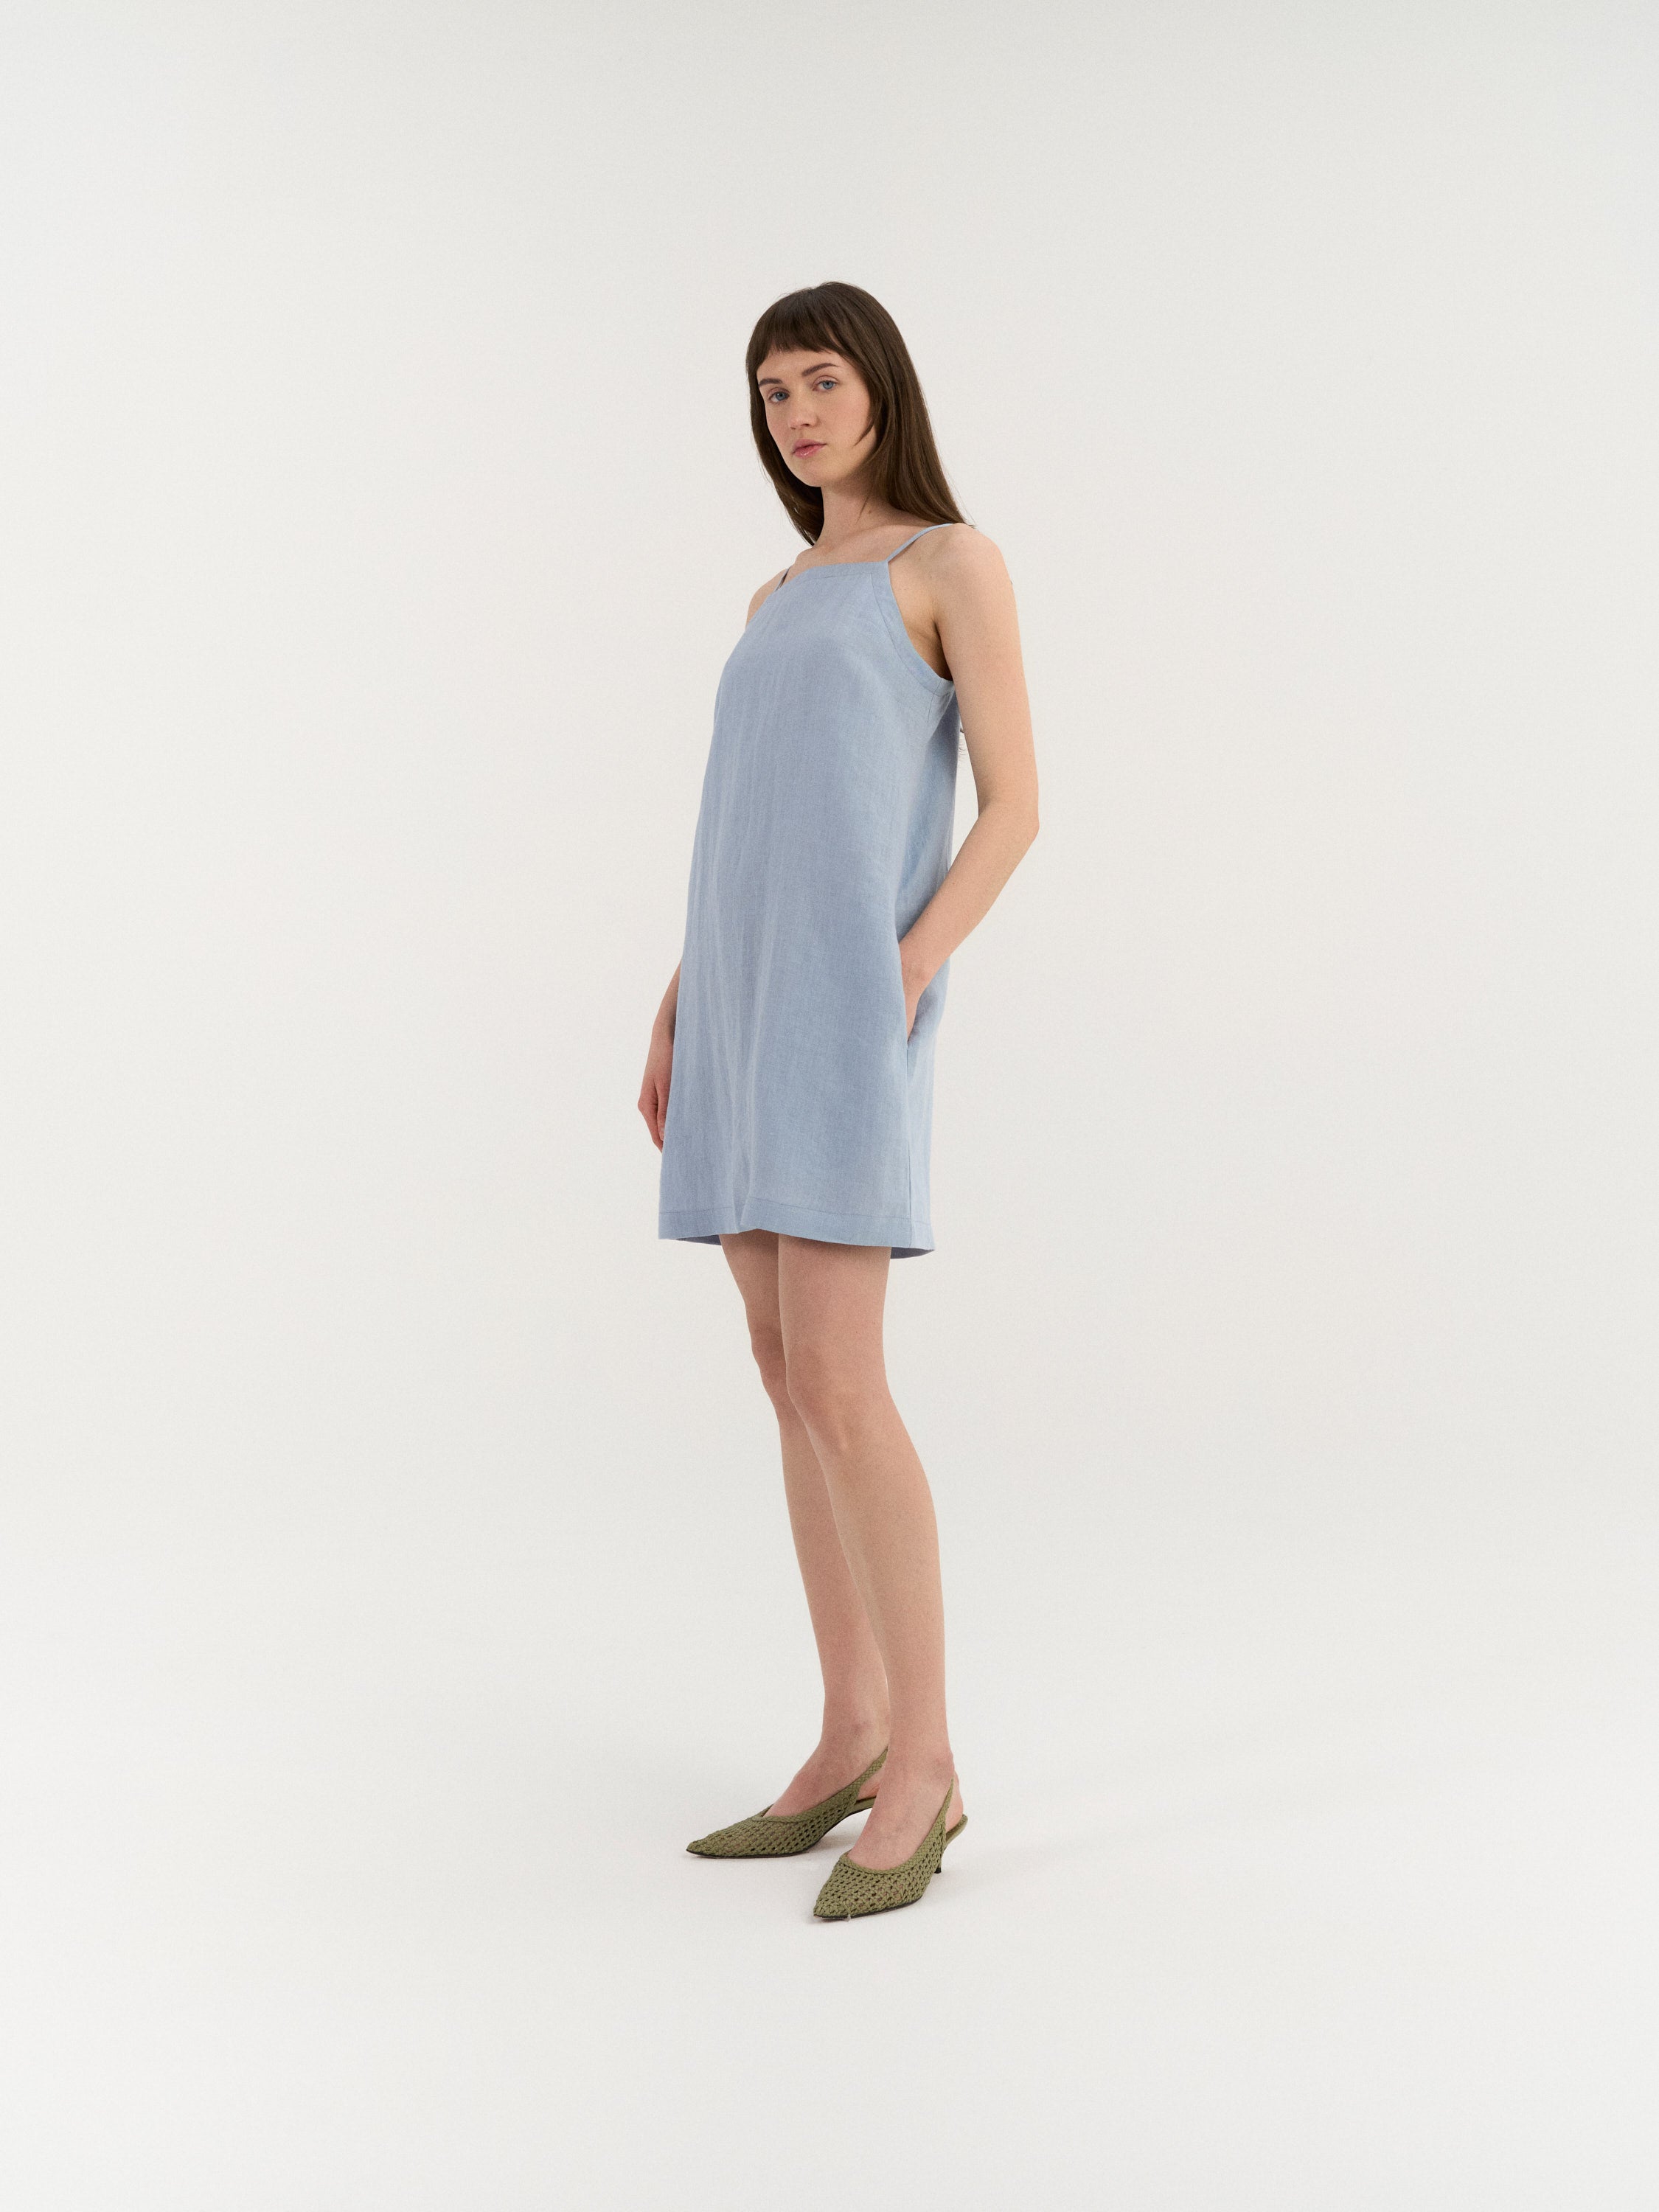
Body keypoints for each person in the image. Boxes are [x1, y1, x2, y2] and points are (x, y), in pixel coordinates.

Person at [639, 282, 1040, 1919]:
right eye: (772, 392)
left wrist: (914, 961)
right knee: (781, 1368)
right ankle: (849, 1729)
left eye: (820, 381)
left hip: (847, 1001)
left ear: (879, 387)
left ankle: (927, 1762)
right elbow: (745, 816)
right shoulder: (774, 592)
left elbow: (1015, 804)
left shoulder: (948, 564)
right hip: (737, 1004)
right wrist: (681, 999)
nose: (797, 414)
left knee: (844, 1379)